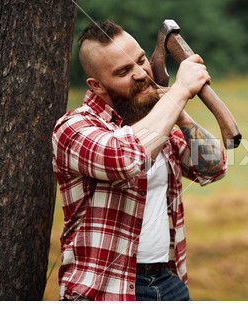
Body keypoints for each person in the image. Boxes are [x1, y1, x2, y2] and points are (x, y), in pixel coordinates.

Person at [52, 20, 227, 301]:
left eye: (141, 60)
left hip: (167, 282)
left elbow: (214, 168)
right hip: (105, 289)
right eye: (123, 71)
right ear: (96, 85)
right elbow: (126, 160)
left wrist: (180, 114)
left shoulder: (160, 121)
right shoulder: (74, 127)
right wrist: (180, 93)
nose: (140, 73)